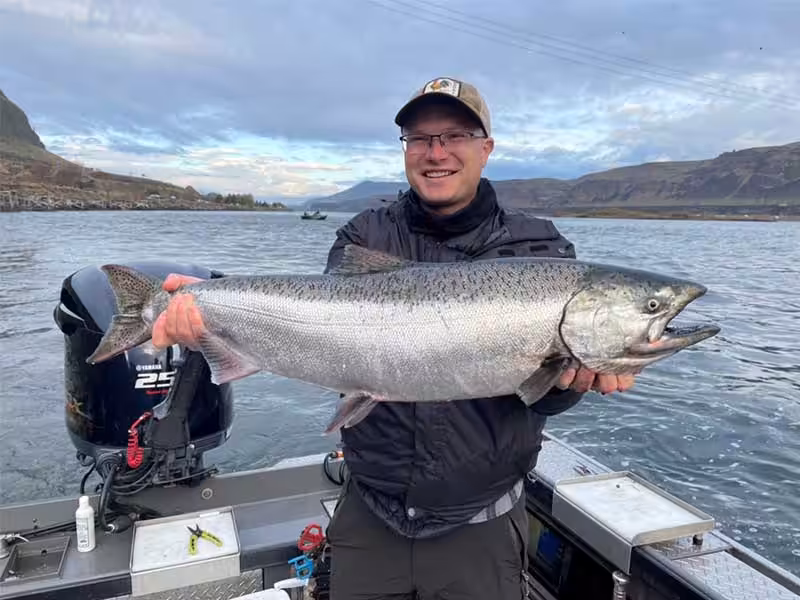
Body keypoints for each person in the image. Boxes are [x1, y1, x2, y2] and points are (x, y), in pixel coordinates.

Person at [151, 76, 636, 599]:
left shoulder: (540, 249)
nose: (436, 153)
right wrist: (209, 310)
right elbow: (323, 331)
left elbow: (546, 397)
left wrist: (572, 382)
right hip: (370, 516)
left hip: (482, 523)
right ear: (406, 149)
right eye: (420, 138)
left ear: (486, 148)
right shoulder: (365, 234)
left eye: (455, 136)